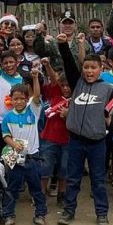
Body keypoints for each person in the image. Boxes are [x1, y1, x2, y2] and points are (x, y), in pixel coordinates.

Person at [56, 33, 113, 225]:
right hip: (76, 141)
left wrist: (110, 123)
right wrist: (63, 45)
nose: (89, 71)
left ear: (101, 69)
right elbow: (69, 64)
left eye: (93, 67)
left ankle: (101, 213)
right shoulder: (77, 83)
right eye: (86, 67)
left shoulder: (108, 89)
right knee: (73, 179)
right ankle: (69, 211)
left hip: (97, 142)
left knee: (98, 180)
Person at [0, 71, 47, 225]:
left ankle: (40, 214)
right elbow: (6, 136)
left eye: (22, 98)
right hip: (15, 156)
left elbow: (37, 95)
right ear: (11, 99)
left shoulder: (33, 111)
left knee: (36, 187)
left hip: (32, 156)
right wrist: (13, 144)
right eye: (16, 99)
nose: (19, 101)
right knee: (12, 188)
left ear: (27, 99)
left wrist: (35, 78)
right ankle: (9, 215)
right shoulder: (7, 117)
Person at [39, 58, 71, 204]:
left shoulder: (77, 100)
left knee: (64, 168)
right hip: (49, 138)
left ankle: (61, 194)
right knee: (45, 167)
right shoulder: (56, 94)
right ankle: (41, 194)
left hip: (68, 140)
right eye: (63, 85)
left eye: (68, 85)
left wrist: (68, 115)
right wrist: (47, 65)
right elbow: (53, 78)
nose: (65, 88)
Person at [0, 40, 24, 151]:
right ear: (2, 65)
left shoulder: (22, 80)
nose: (9, 65)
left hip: (14, 122)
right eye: (6, 63)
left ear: (17, 62)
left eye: (11, 62)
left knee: (12, 153)